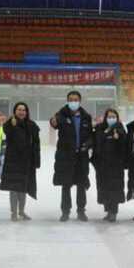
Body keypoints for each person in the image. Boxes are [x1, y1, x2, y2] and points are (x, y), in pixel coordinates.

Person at [50, 91, 93, 222]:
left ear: (80, 101)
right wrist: (53, 122)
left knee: (81, 184)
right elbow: (54, 123)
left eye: (75, 99)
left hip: (81, 156)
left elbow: (91, 135)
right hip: (65, 156)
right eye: (71, 99)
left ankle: (81, 211)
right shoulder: (61, 115)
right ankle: (65, 211)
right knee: (66, 184)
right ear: (67, 101)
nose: (73, 102)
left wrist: (87, 145)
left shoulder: (86, 117)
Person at [0, 103, 41, 221]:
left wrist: (36, 161)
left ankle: (21, 211)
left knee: (23, 188)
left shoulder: (32, 125)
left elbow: (36, 144)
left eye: (23, 110)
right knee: (13, 188)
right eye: (19, 109)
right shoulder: (10, 124)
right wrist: (11, 125)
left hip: (27, 161)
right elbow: (7, 131)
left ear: (27, 112)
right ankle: (13, 212)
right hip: (13, 161)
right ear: (15, 111)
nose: (21, 112)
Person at [91, 108, 127, 222]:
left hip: (115, 166)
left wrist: (119, 138)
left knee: (114, 188)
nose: (111, 119)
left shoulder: (120, 129)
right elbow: (96, 142)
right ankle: (108, 210)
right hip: (102, 165)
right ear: (105, 118)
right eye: (109, 117)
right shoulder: (100, 129)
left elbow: (125, 146)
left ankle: (113, 212)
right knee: (104, 188)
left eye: (113, 117)